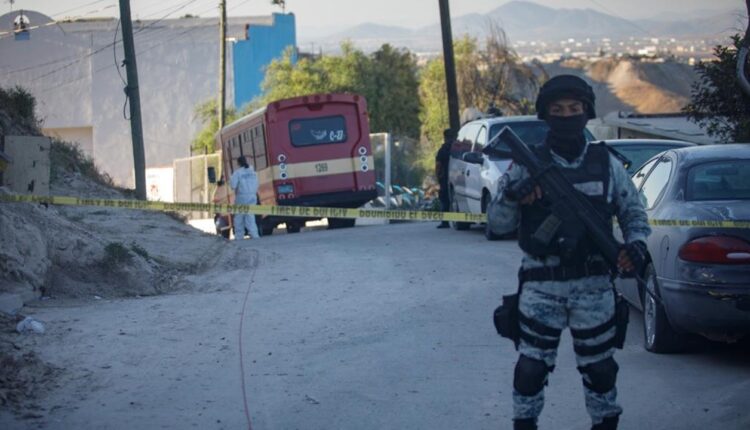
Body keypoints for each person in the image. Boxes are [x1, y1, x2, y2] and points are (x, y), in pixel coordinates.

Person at [491, 75, 651, 430]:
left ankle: (605, 423)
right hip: (541, 284)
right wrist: (513, 195)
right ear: (545, 115)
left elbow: (634, 213)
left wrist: (636, 246)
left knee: (601, 368)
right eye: (558, 110)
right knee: (531, 369)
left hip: (594, 285)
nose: (567, 116)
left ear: (586, 112)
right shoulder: (526, 164)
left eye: (574, 109)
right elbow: (497, 224)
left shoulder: (605, 163)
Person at [229, 156, 260, 239]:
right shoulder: (253, 172)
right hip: (253, 196)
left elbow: (233, 185)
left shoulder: (237, 173)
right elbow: (257, 184)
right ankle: (255, 235)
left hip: (242, 197)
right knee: (250, 216)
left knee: (239, 217)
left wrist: (230, 178)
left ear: (238, 163)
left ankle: (239, 237)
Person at [435, 128, 453, 228]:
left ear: (444, 137)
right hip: (457, 178)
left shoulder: (443, 150)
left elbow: (438, 165)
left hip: (445, 179)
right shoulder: (457, 148)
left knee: (444, 200)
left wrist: (438, 176)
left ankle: (445, 222)